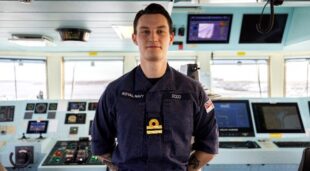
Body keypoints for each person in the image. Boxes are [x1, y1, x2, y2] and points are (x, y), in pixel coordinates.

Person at [91, 3, 218, 171]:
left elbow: (209, 144)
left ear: (171, 38)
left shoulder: (194, 92)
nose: (153, 37)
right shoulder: (114, 92)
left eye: (160, 31)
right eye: (145, 31)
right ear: (135, 38)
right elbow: (100, 145)